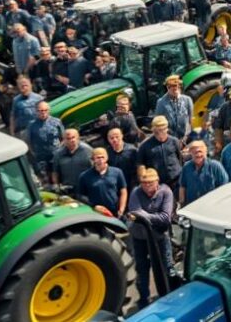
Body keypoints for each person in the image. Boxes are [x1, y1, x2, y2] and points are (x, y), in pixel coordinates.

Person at [126, 169, 174, 308]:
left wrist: (143, 216)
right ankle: (143, 299)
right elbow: (135, 211)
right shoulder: (136, 192)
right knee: (141, 269)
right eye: (144, 183)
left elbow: (166, 218)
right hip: (139, 237)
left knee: (166, 266)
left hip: (159, 237)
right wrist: (153, 217)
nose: (147, 186)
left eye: (150, 183)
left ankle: (168, 295)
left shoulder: (166, 192)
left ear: (157, 182)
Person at [76, 148, 127, 218]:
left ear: (107, 158)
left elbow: (123, 191)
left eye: (102, 157)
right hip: (95, 213)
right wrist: (94, 206)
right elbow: (80, 196)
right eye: (97, 157)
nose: (100, 160)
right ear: (93, 159)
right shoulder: (84, 176)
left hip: (114, 212)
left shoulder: (117, 172)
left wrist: (121, 209)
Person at [138, 116, 184, 192]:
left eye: (163, 130)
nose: (160, 134)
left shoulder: (174, 141)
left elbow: (180, 158)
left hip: (176, 179)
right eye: (157, 132)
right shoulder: (144, 146)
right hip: (158, 184)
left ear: (167, 129)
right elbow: (140, 164)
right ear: (153, 130)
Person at [180, 140, 229, 205]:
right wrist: (182, 203)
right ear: (190, 153)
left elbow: (225, 187)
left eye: (200, 151)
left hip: (211, 206)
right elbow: (182, 186)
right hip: (192, 206)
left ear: (205, 152)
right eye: (195, 152)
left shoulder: (215, 166)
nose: (198, 154)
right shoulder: (186, 167)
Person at [27, 101, 64, 179]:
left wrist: (60, 150)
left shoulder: (56, 122)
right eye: (40, 110)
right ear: (36, 111)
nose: (43, 112)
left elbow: (63, 138)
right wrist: (33, 152)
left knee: (59, 175)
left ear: (49, 110)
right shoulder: (31, 125)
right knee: (45, 178)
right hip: (41, 158)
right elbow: (29, 141)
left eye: (45, 110)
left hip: (55, 155)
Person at [153, 75, 193, 141]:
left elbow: (190, 120)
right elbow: (158, 122)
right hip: (169, 139)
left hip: (185, 138)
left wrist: (190, 137)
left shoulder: (187, 100)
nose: (175, 89)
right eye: (172, 87)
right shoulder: (161, 102)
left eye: (177, 86)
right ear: (167, 88)